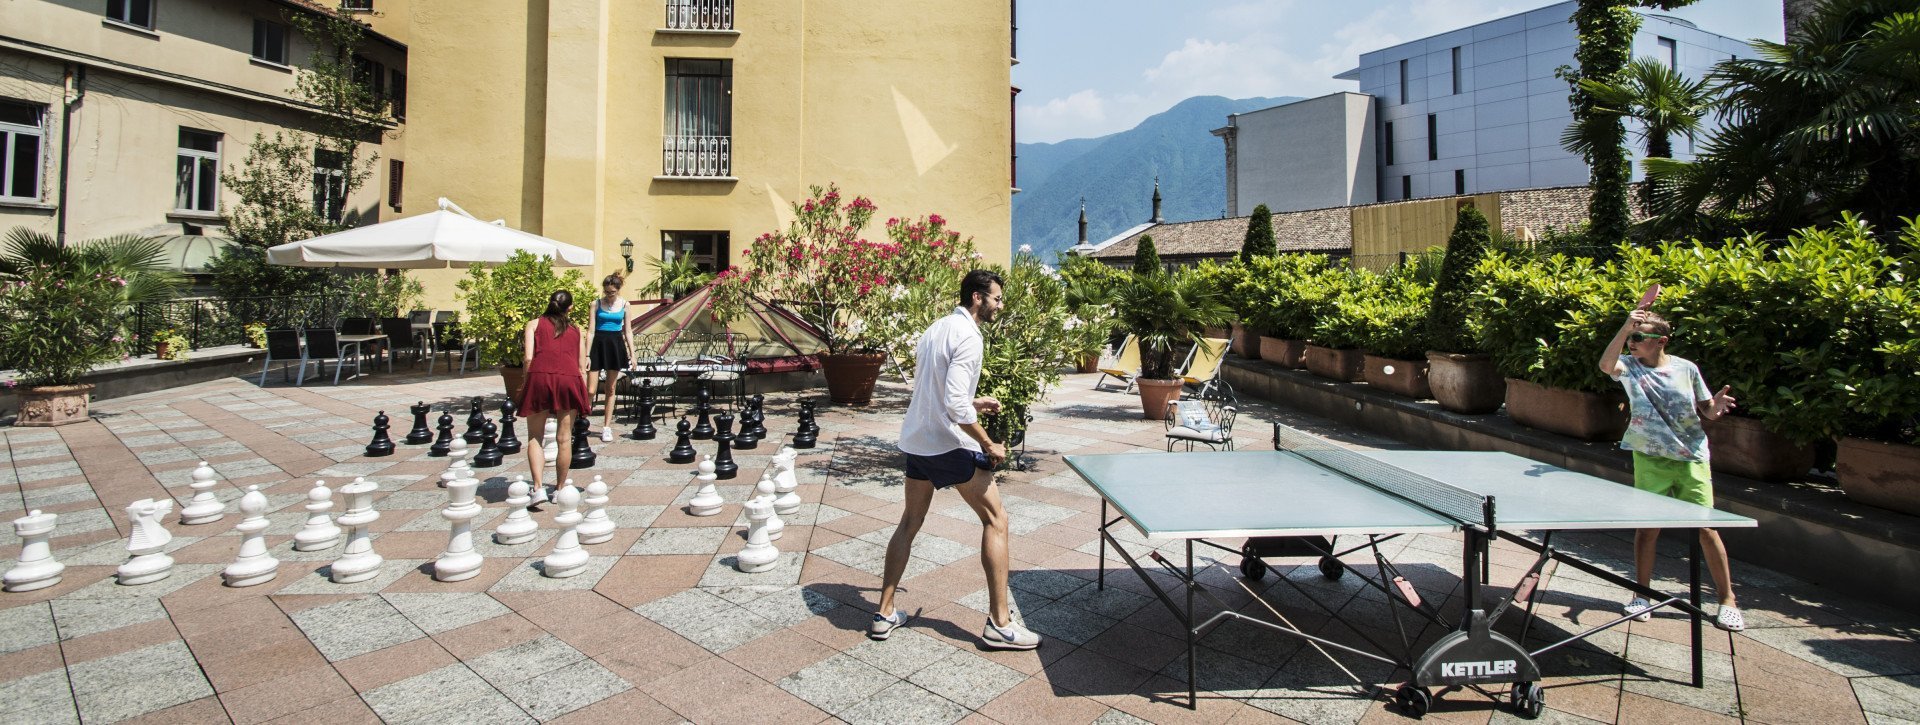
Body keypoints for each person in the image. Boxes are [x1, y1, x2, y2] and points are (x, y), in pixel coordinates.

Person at [870, 269, 1041, 650]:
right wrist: (988, 444)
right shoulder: (969, 335)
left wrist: (972, 402)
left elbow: (935, 389)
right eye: (996, 298)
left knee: (909, 522)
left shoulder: (937, 328)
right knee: (997, 520)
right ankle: (1000, 624)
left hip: (918, 440)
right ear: (977, 298)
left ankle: (884, 613)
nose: (1000, 305)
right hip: (946, 444)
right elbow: (952, 403)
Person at [1598, 306, 1743, 631]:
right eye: (1631, 337)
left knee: (1706, 529)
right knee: (1648, 529)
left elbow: (1706, 409)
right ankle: (1642, 595)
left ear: (1661, 340)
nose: (1633, 343)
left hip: (1691, 458)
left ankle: (1727, 599)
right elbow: (1606, 364)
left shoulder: (1686, 369)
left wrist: (1715, 407)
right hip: (1649, 458)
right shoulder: (1630, 367)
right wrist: (1624, 327)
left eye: (1639, 337)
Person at [519, 290, 590, 498]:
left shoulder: (533, 324)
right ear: (571, 308)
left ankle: (538, 488)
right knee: (564, 438)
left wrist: (526, 382)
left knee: (535, 436)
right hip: (569, 379)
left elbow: (528, 359)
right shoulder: (577, 330)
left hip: (539, 377)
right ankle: (559, 489)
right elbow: (581, 367)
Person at [588, 273, 635, 442]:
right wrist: (587, 354)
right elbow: (590, 330)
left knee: (611, 388)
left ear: (618, 290)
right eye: (606, 292)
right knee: (591, 389)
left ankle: (606, 427)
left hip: (615, 344)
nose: (609, 295)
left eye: (612, 292)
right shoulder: (595, 304)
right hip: (598, 344)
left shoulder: (625, 305)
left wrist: (632, 354)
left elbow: (628, 331)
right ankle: (582, 419)